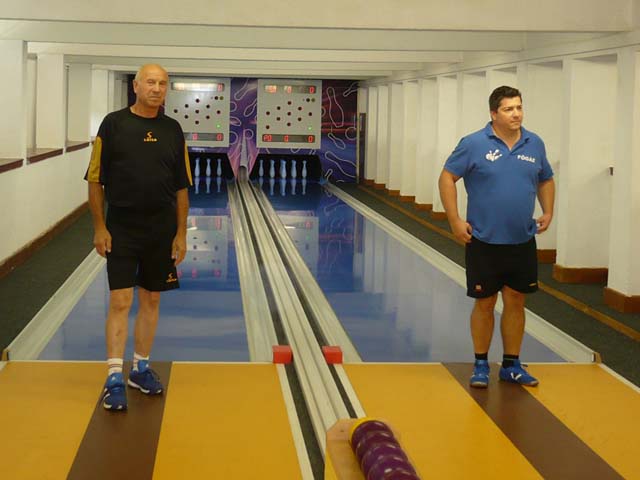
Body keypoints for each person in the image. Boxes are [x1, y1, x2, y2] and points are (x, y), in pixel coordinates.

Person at [85, 64, 192, 410]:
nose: (156, 88)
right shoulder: (113, 124)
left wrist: (181, 233)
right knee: (120, 301)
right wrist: (100, 227)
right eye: (150, 82)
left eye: (162, 83)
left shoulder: (173, 130)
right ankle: (114, 376)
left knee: (151, 299)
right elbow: (95, 180)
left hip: (161, 229)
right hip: (122, 227)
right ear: (136, 86)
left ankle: (140, 369)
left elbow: (181, 187)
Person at [438, 86, 555, 388]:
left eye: (519, 107)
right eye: (508, 109)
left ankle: (511, 365)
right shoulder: (473, 143)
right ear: (493, 113)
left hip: (522, 240)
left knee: (516, 300)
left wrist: (548, 210)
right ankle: (480, 364)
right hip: (484, 240)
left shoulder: (534, 143)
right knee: (485, 302)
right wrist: (455, 220)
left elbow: (545, 178)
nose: (516, 114)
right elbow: (447, 177)